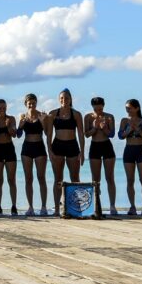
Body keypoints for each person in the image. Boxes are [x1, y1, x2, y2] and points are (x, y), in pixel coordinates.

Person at [45, 88, 85, 216]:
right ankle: (57, 209)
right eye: (62, 98)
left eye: (66, 98)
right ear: (59, 99)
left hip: (72, 146)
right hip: (57, 146)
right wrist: (49, 150)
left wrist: (82, 152)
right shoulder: (53, 114)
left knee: (75, 178)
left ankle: (76, 208)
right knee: (58, 179)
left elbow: (81, 134)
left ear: (70, 99)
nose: (64, 100)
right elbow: (49, 134)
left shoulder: (76, 114)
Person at [16, 94, 49, 216]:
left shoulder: (41, 115)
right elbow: (18, 135)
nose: (31, 105)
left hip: (39, 147)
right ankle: (30, 207)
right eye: (29, 103)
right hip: (27, 148)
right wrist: (20, 125)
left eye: (33, 103)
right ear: (26, 104)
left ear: (36, 103)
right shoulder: (23, 117)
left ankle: (44, 207)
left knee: (41, 177)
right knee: (28, 178)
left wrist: (43, 121)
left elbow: (47, 133)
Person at [85, 97, 117, 215]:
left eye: (100, 109)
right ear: (92, 107)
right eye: (96, 109)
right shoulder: (88, 117)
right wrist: (95, 127)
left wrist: (104, 128)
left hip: (106, 146)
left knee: (110, 178)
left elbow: (112, 134)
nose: (98, 111)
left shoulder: (109, 117)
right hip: (95, 146)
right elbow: (87, 134)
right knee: (95, 179)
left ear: (103, 106)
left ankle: (112, 206)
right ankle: (96, 205)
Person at [119, 99, 142, 215]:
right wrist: (128, 130)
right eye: (126, 108)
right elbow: (120, 136)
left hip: (140, 150)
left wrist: (136, 129)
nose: (128, 110)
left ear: (137, 108)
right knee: (130, 180)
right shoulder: (124, 120)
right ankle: (132, 206)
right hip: (129, 150)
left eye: (130, 108)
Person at [0, 99, 18, 215]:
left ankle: (14, 206)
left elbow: (14, 135)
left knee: (11, 180)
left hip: (9, 149)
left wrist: (8, 126)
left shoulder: (11, 119)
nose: (2, 110)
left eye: (4, 108)